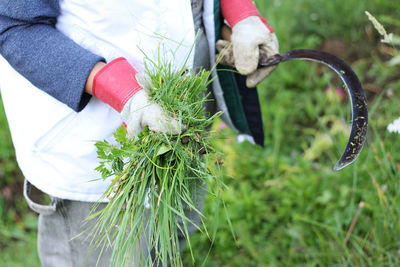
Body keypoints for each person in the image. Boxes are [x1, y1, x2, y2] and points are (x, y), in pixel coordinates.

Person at [0, 0, 278, 266]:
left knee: (168, 245)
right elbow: (16, 25)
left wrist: (242, 13)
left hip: (184, 114)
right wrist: (119, 88)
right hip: (95, 145)